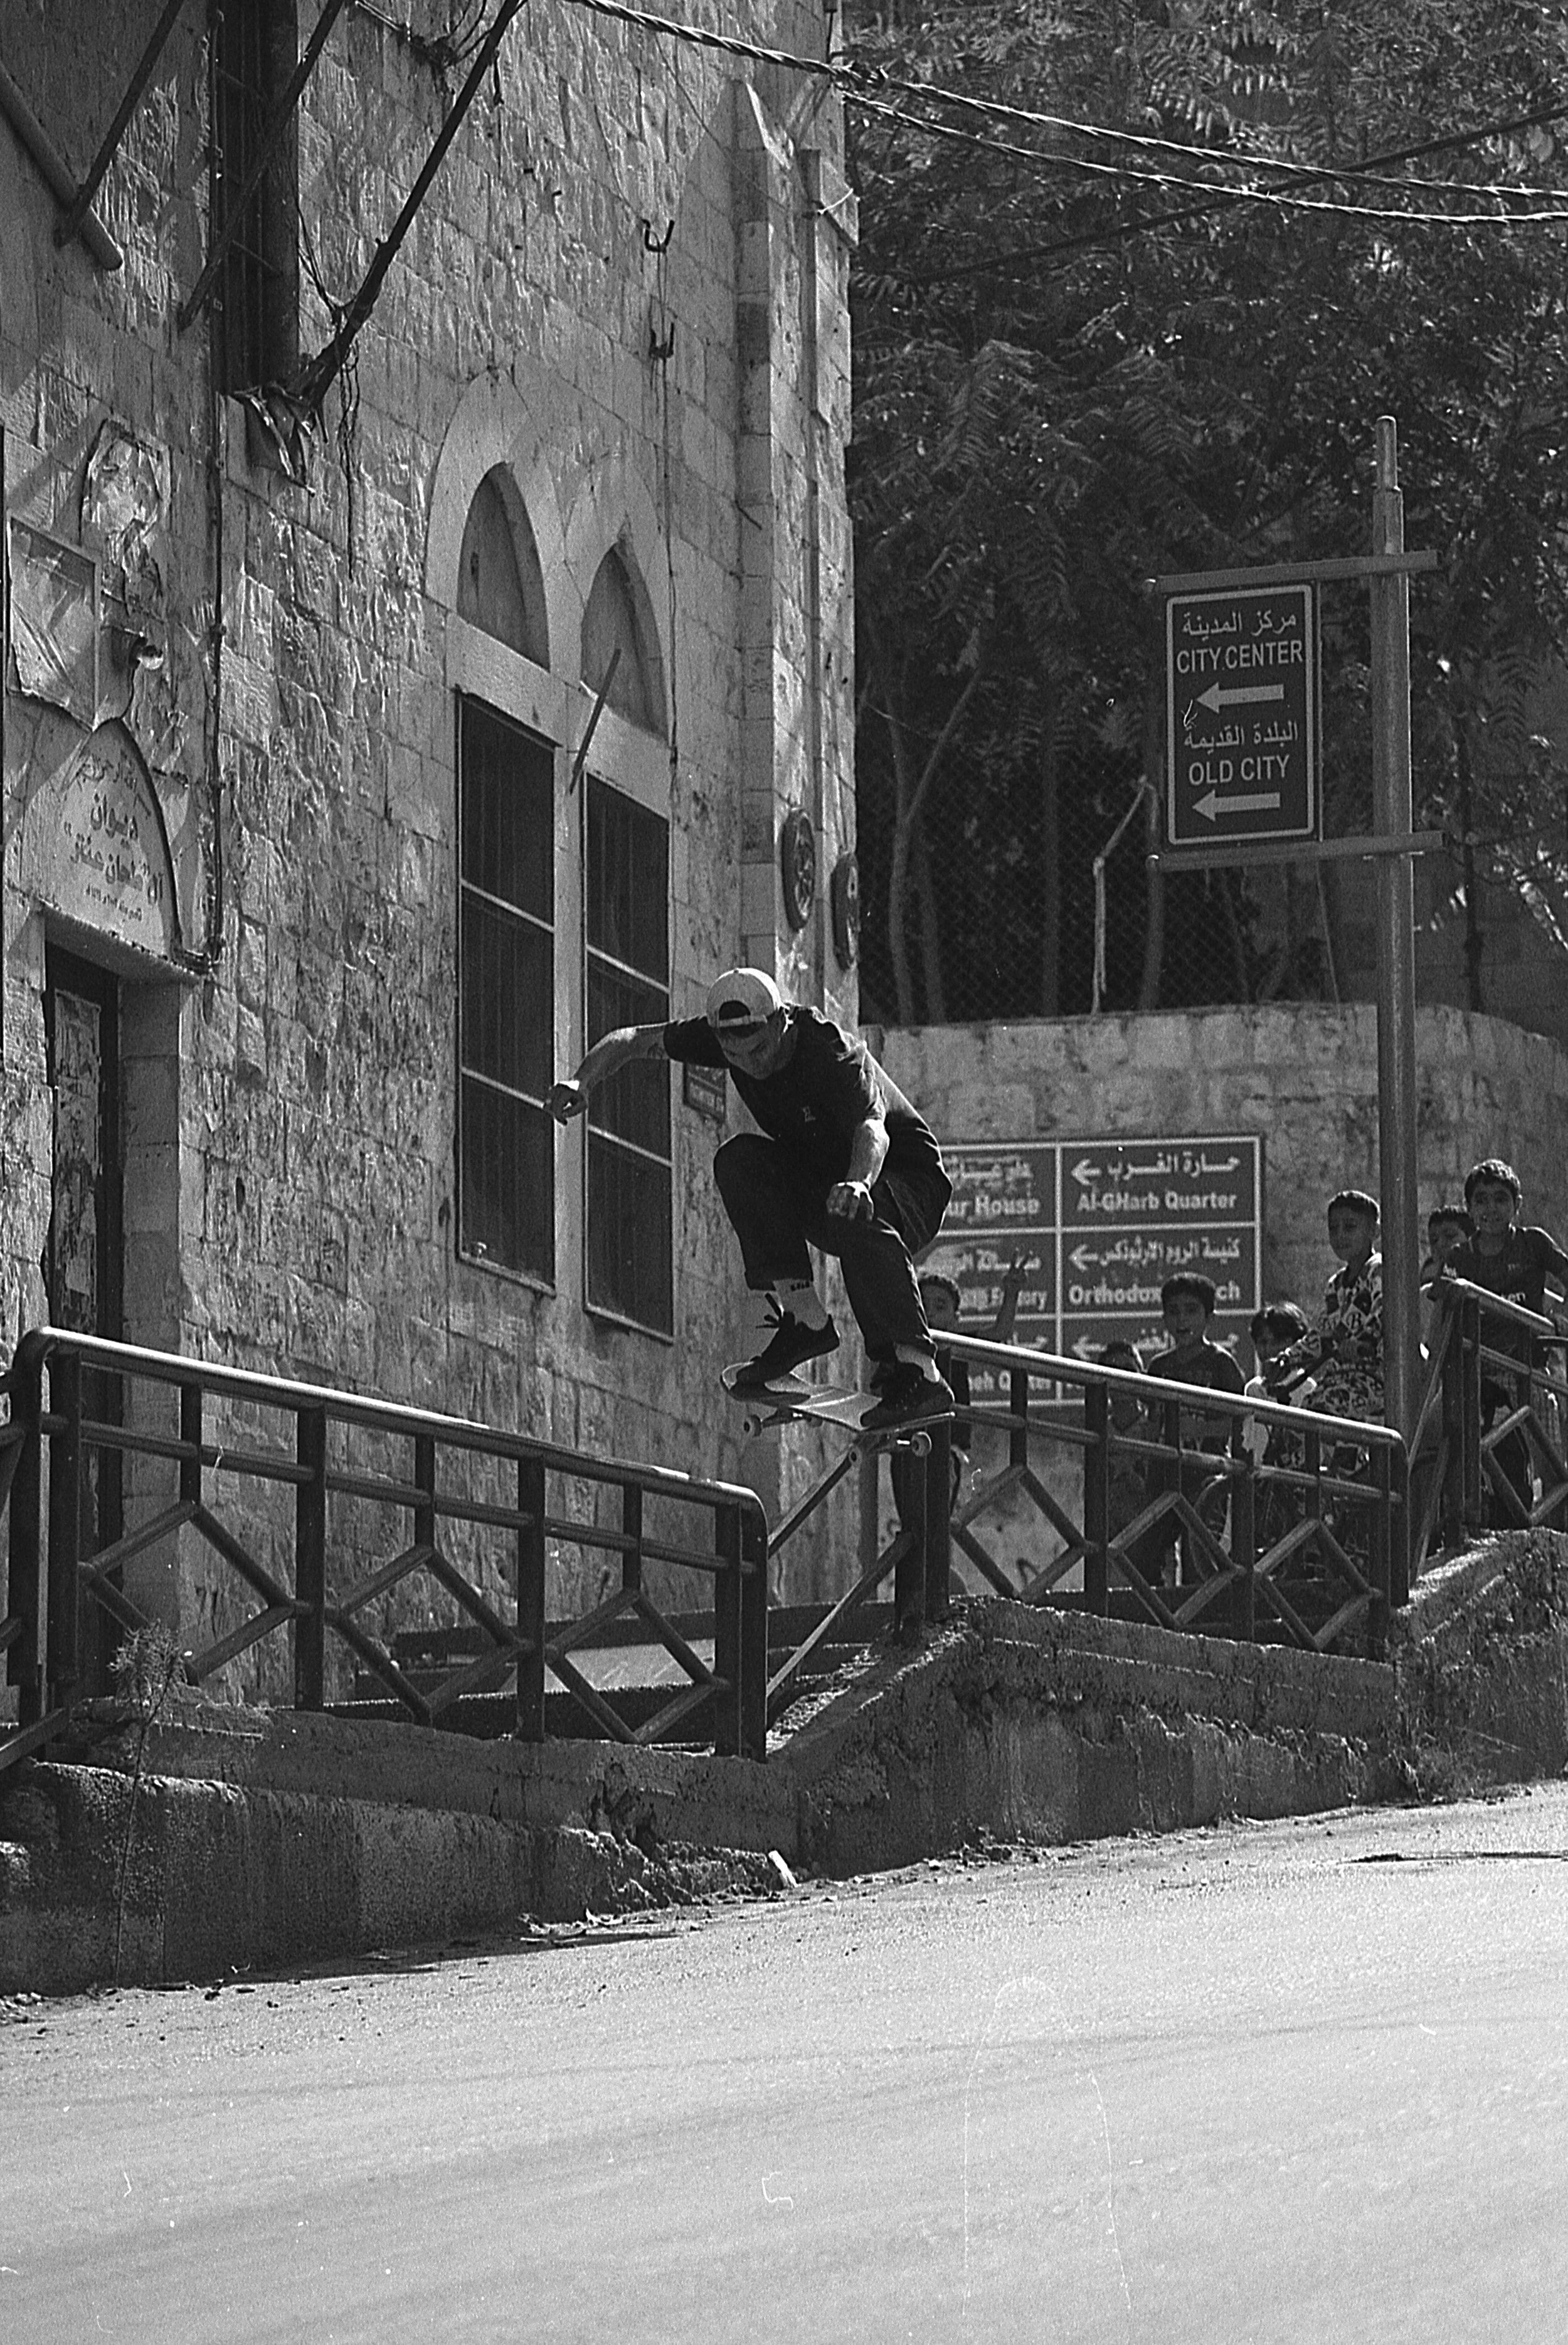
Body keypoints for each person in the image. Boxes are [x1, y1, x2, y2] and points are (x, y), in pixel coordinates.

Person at [547, 967, 955, 1429]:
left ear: (781, 1021)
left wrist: (859, 1182)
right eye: (735, 1055)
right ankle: (806, 1322)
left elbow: (872, 1128)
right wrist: (582, 1081)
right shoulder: (724, 1037)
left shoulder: (830, 1051)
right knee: (740, 1161)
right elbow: (632, 1039)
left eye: (760, 1049)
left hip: (908, 1180)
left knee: (853, 1211)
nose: (751, 1063)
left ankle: (919, 1371)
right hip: (827, 1179)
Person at [1439, 1159, 1568, 1522]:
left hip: (1529, 1368)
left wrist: (1560, 1316)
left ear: (1517, 1205)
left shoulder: (1532, 1244)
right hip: (1479, 1373)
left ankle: (1556, 1539)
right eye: (1481, 1201)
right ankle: (1467, 1522)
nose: (1490, 1209)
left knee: (1551, 1460)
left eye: (1500, 1199)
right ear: (1469, 1208)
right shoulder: (1461, 1257)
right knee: (1462, 1447)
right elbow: (1442, 1309)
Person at [1143, 1274, 1247, 1585]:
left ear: (1209, 1317)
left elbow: (1239, 1421)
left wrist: (1199, 1428)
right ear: (1164, 1318)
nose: (1182, 1319)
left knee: (1197, 1558)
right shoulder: (1158, 1368)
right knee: (1151, 1554)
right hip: (1164, 1474)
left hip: (1205, 1476)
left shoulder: (1221, 1364)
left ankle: (1196, 1622)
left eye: (1191, 1311)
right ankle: (1157, 1620)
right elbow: (1152, 1420)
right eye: (1173, 1312)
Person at [1267, 1190, 1384, 1428]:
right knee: (1296, 1423)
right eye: (1334, 1228)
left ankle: (1347, 1463)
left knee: (1323, 1410)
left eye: (1350, 1227)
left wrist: (1363, 1344)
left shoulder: (1379, 1270)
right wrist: (1288, 1358)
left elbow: (1381, 1316)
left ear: (1374, 1231)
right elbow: (1323, 1334)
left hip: (1376, 1378)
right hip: (1342, 1378)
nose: (1340, 1236)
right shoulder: (1336, 1285)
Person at [1420, 1202, 1474, 1361]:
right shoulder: (1424, 1296)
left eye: (1450, 1236)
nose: (1441, 1245)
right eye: (1434, 1240)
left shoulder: (1487, 1282)